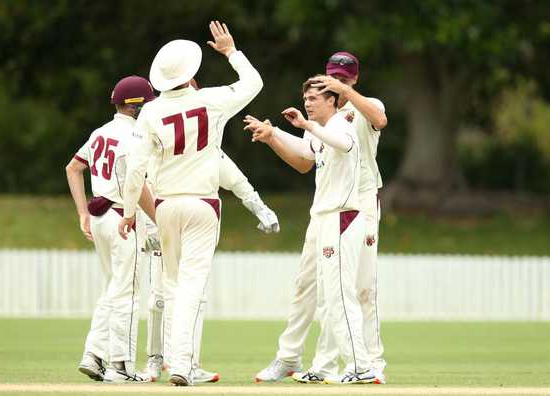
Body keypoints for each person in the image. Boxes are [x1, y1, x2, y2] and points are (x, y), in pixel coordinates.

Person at [119, 21, 263, 386]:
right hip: (202, 204)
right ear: (190, 74)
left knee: (170, 286)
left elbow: (136, 168)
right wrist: (232, 52)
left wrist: (129, 211)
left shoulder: (150, 112)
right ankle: (182, 365)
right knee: (191, 287)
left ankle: (174, 361)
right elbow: (254, 84)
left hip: (166, 206)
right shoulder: (209, 99)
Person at [249, 51, 387, 384]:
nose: (334, 81)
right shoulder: (322, 116)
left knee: (358, 289)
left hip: (358, 203)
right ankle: (301, 360)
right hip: (325, 207)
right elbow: (305, 161)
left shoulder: (361, 107)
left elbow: (376, 122)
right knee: (312, 286)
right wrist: (275, 137)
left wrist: (340, 97)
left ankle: (368, 363)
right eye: (331, 76)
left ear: (353, 80)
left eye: (341, 78)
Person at [65, 75, 157, 383]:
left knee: (112, 289)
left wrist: (82, 214)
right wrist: (160, 219)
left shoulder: (100, 132)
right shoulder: (134, 136)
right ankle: (122, 365)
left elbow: (73, 168)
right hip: (122, 218)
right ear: (136, 107)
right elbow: (137, 182)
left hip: (100, 217)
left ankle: (93, 354)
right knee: (127, 292)